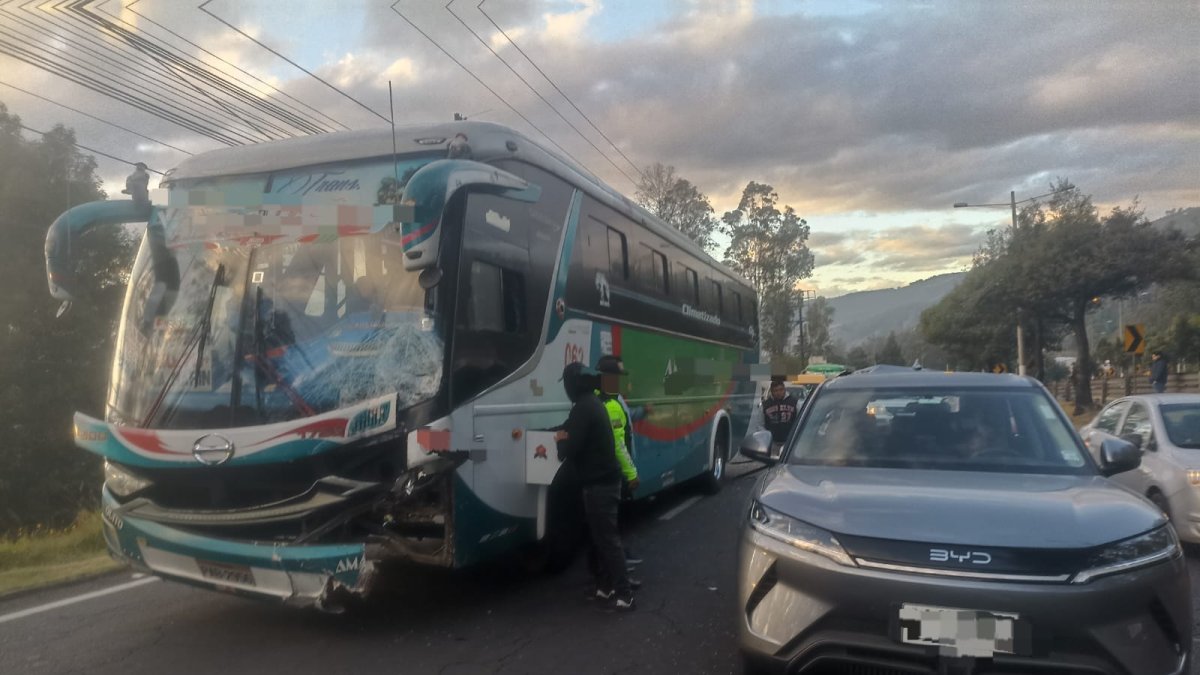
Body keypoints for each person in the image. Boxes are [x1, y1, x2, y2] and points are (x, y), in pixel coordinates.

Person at [554, 362, 635, 611]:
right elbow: (570, 430)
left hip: (599, 485)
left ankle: (625, 594)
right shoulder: (591, 404)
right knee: (600, 539)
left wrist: (559, 439)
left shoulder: (583, 408)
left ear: (573, 384)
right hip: (603, 483)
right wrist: (562, 433)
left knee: (607, 540)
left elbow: (568, 447)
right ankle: (606, 587)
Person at [595, 354, 647, 570]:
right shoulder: (609, 403)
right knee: (614, 519)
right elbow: (617, 443)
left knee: (613, 520)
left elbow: (626, 418)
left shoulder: (611, 399)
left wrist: (643, 411)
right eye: (616, 375)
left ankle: (614, 563)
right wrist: (631, 473)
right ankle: (617, 571)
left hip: (612, 471)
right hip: (616, 471)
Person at [762, 379, 800, 448]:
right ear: (772, 391)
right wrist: (766, 438)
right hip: (772, 442)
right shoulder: (765, 405)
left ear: (784, 389)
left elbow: (800, 420)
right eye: (776, 390)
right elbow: (760, 424)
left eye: (781, 389)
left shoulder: (795, 402)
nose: (778, 392)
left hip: (790, 441)